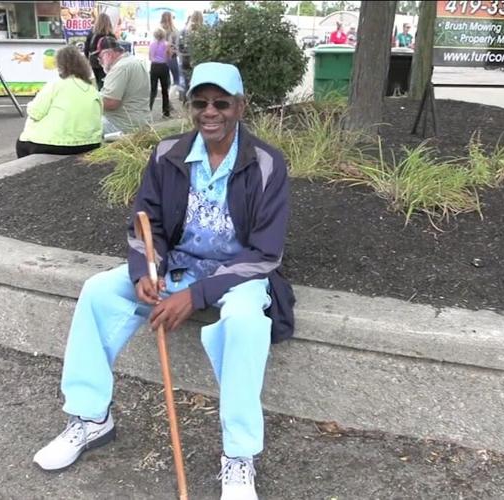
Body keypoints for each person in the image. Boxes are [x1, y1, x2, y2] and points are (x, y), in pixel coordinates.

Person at [32, 62, 295, 500]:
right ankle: (91, 418)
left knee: (248, 323)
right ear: (189, 106)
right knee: (98, 291)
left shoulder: (267, 163)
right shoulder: (168, 153)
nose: (210, 112)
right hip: (175, 265)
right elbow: (144, 224)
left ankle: (238, 456)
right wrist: (143, 272)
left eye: (221, 103)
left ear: (240, 106)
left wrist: (196, 295)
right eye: (200, 102)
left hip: (239, 273)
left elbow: (266, 253)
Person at [15, 46, 102, 158]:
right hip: (90, 143)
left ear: (59, 65)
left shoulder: (56, 84)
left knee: (22, 143)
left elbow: (35, 113)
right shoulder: (92, 88)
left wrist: (30, 104)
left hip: (54, 144)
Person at [97, 36, 151, 133]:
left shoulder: (120, 68)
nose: (100, 62)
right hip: (139, 122)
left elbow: (111, 102)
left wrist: (91, 100)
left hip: (122, 125)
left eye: (100, 57)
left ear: (108, 54)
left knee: (84, 126)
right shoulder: (134, 61)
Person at [84, 13, 115, 90]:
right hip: (107, 63)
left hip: (94, 62)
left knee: (98, 81)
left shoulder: (91, 34)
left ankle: (99, 94)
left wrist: (88, 59)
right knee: (107, 82)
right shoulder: (111, 36)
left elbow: (86, 49)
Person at [179, 11, 204, 95]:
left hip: (185, 60)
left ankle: (186, 102)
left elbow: (179, 47)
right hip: (198, 61)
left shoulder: (184, 31)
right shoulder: (203, 32)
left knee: (186, 84)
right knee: (197, 85)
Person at [148, 28, 172, 118]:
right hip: (163, 67)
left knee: (153, 90)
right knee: (165, 90)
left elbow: (150, 57)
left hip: (154, 66)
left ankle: (149, 109)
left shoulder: (152, 44)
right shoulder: (166, 45)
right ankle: (166, 112)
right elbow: (169, 57)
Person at [160, 12, 181, 93]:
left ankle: (166, 92)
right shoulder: (174, 30)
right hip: (172, 55)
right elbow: (177, 43)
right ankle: (176, 94)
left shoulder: (159, 30)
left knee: (165, 77)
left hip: (162, 56)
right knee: (176, 76)